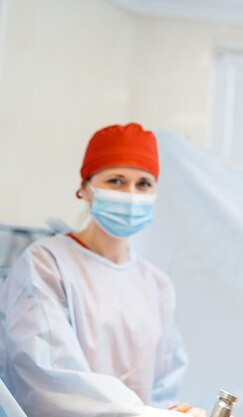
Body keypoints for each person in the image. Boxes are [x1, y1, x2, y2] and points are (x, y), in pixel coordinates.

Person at [0, 123, 205, 417]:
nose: (131, 195)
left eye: (143, 184)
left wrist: (169, 412)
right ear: (85, 188)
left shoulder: (156, 284)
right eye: (116, 181)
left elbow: (162, 385)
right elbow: (50, 381)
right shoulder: (46, 264)